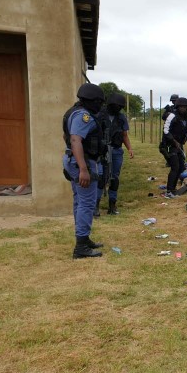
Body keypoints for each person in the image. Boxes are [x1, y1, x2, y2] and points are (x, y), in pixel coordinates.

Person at [62, 83, 106, 259]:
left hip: (74, 159)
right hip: (84, 162)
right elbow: (75, 140)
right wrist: (83, 169)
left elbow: (67, 137)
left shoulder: (73, 112)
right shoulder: (83, 116)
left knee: (79, 201)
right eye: (99, 102)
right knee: (87, 203)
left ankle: (83, 238)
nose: (100, 106)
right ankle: (81, 246)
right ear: (93, 100)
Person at [96, 93, 133, 215]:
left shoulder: (121, 117)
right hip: (101, 151)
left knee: (114, 178)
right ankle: (95, 206)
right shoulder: (100, 114)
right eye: (115, 105)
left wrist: (129, 149)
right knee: (101, 178)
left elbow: (124, 135)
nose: (117, 108)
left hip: (116, 150)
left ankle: (112, 205)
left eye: (119, 106)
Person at [162, 97, 187, 197]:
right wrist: (174, 140)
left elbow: (186, 130)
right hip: (169, 145)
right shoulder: (172, 116)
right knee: (175, 166)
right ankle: (169, 191)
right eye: (181, 107)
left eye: (185, 107)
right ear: (177, 107)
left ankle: (173, 188)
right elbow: (165, 130)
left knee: (181, 167)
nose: (183, 109)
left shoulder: (186, 118)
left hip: (179, 146)